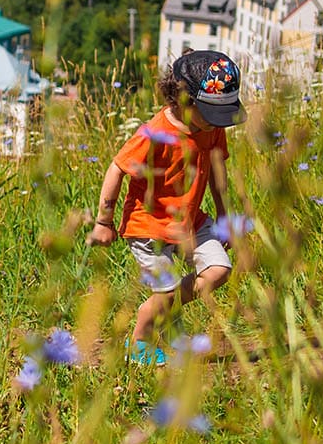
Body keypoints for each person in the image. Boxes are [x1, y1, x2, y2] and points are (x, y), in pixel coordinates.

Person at [86, 50, 244, 366]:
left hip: (191, 220)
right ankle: (140, 341)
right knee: (166, 292)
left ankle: (166, 311)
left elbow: (217, 172)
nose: (218, 123)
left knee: (219, 270)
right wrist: (104, 221)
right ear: (183, 100)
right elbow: (117, 168)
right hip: (149, 225)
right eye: (213, 114)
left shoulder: (211, 127)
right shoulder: (154, 134)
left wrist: (224, 214)